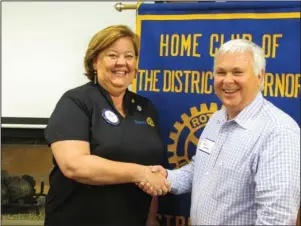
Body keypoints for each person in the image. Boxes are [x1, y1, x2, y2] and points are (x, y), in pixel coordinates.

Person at [139, 39, 300, 225]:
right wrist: (167, 177)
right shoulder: (217, 118)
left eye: (237, 72)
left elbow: (277, 217)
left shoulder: (278, 132)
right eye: (221, 72)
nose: (227, 80)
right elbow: (200, 170)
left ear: (259, 76)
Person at [44, 25, 170, 226]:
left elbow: (153, 167)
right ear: (95, 61)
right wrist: (140, 172)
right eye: (112, 55)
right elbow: (74, 165)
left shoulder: (145, 108)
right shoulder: (76, 101)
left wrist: (151, 219)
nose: (122, 63)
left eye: (129, 56)